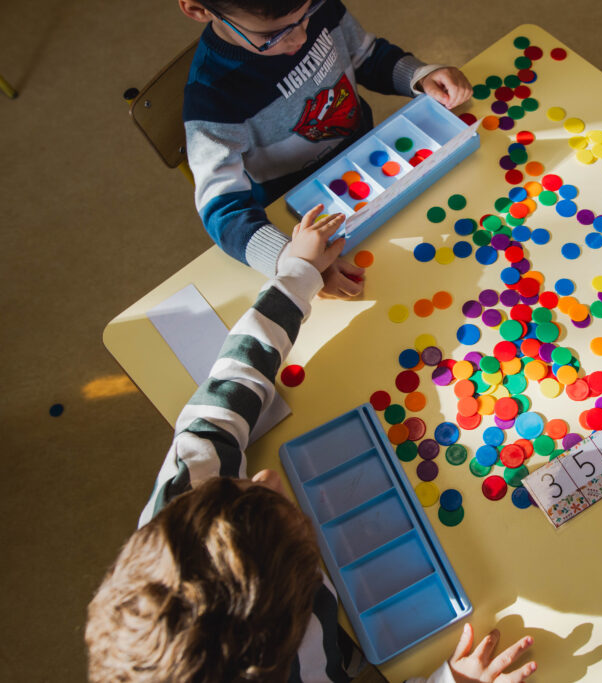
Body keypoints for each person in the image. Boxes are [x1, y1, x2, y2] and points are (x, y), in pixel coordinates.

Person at [85, 206, 535, 683]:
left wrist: (297, 276)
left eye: (240, 487)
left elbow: (236, 376)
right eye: (290, 519)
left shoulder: (184, 500)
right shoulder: (299, 668)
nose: (267, 476)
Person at [178, 0, 472, 298]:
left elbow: (367, 55)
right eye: (272, 36)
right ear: (198, 9)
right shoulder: (210, 99)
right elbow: (224, 209)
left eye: (306, 14)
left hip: (370, 163)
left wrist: (418, 76)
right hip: (301, 215)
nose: (300, 37)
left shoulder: (316, 7)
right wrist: (295, 263)